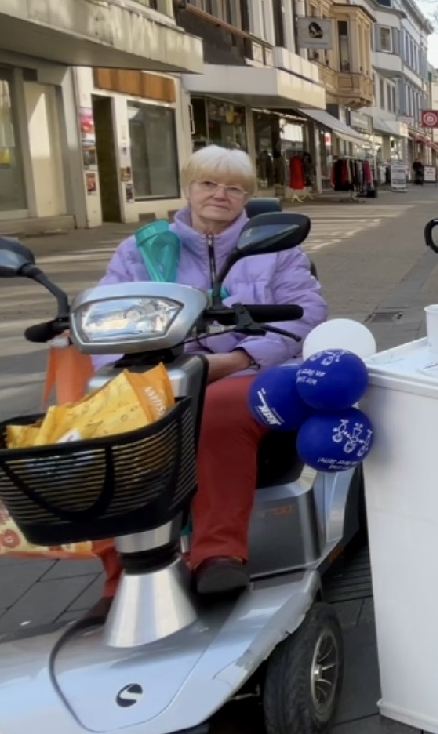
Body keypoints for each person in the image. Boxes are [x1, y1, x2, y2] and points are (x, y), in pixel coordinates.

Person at [88, 146, 328, 617]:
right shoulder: (143, 248)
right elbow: (108, 311)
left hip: (250, 370)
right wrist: (133, 366)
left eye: (235, 188)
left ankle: (218, 554)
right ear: (189, 187)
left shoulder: (276, 246)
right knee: (106, 423)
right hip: (158, 372)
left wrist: (239, 357)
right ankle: (121, 576)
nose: (221, 195)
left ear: (248, 197)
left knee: (218, 409)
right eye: (208, 184)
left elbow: (307, 315)